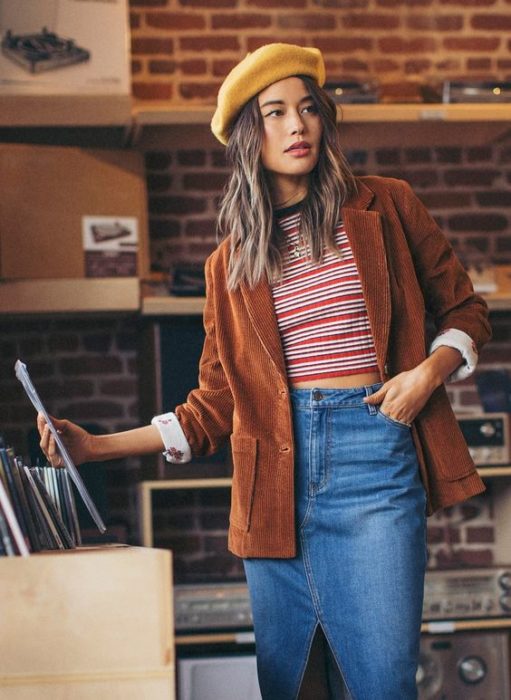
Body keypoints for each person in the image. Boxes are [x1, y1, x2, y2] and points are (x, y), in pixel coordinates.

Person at [38, 43, 491, 700]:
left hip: (375, 473)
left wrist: (427, 373)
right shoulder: (230, 266)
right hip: (271, 488)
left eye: (307, 109)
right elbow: (214, 403)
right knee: (292, 687)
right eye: (275, 113)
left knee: (382, 684)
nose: (296, 125)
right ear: (250, 134)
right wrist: (95, 447)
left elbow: (465, 310)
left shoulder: (386, 207)